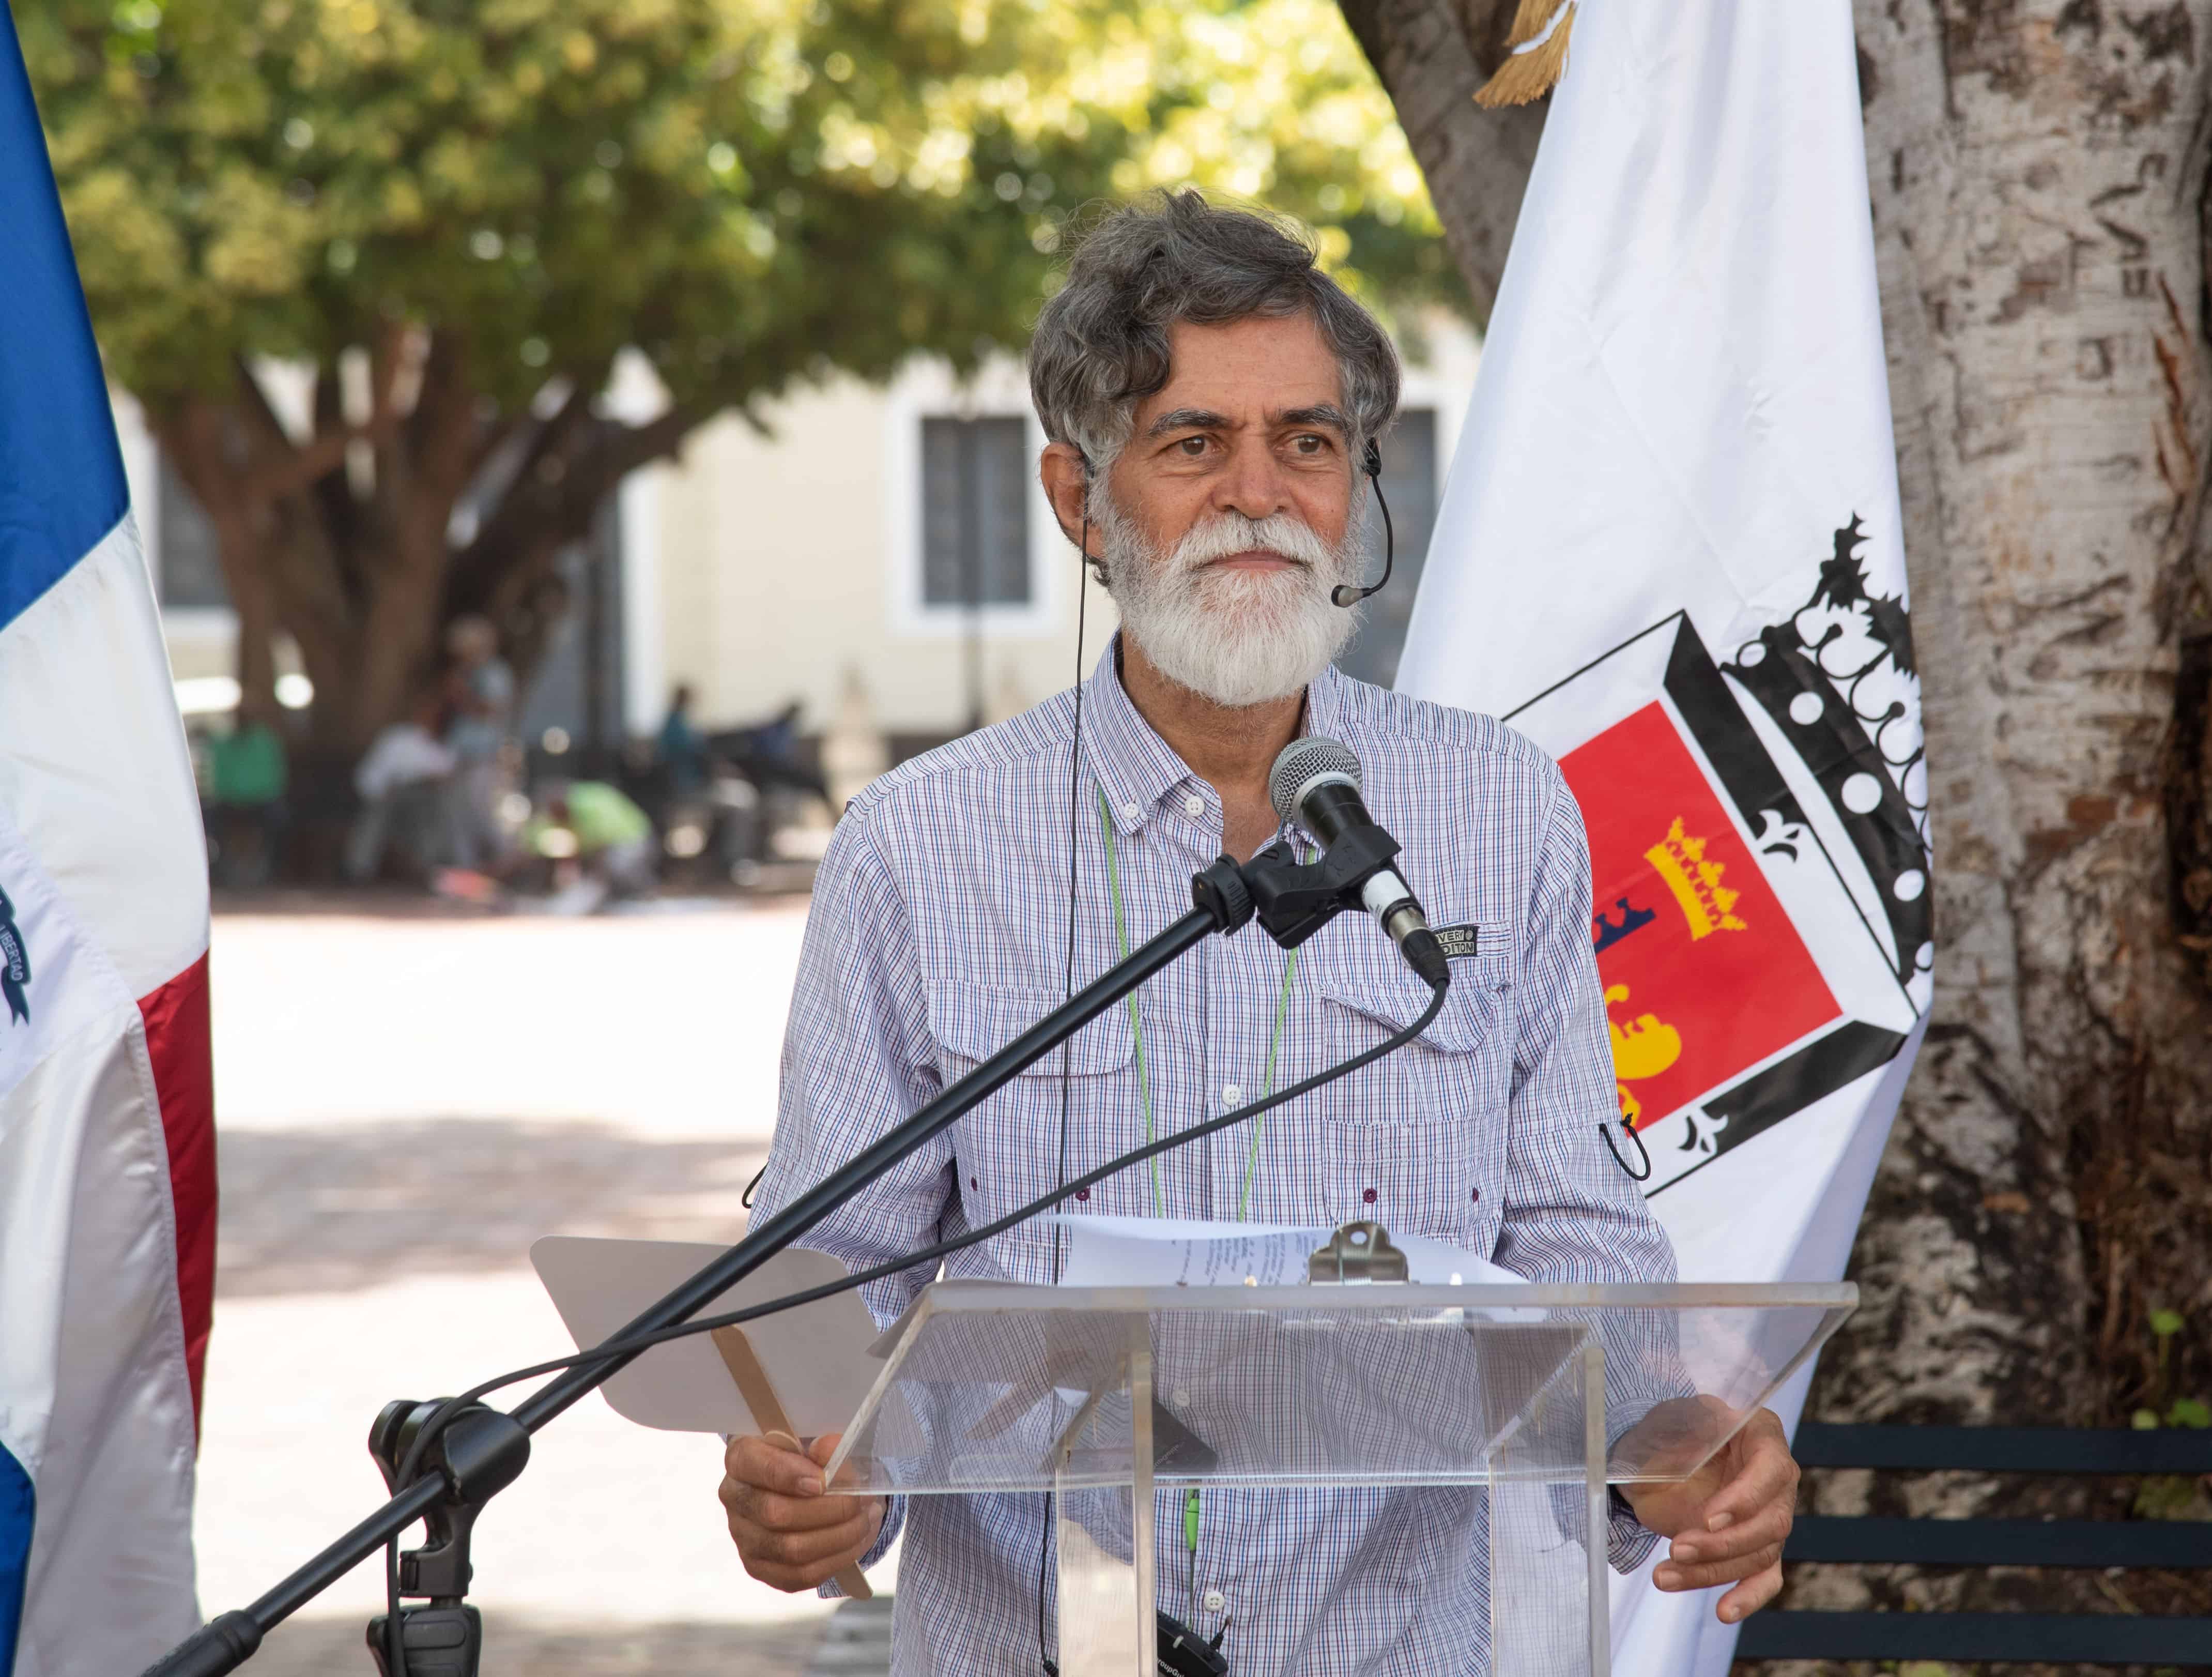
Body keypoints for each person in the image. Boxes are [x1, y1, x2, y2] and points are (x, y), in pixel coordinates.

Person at [719, 192, 1799, 1672]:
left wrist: (1671, 1439)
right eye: (1189, 443)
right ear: (1076, 497)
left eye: (1307, 441)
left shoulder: (1501, 807)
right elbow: (838, 1273)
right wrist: (815, 1481)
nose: (1258, 492)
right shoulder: (918, 842)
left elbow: (1569, 1242)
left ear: (1357, 482)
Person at [344, 712, 456, 884]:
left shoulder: (447, 746)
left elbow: (446, 779)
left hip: (424, 805)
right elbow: (370, 777)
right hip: (386, 796)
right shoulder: (398, 737)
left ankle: (428, 871)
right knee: (376, 815)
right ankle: (357, 871)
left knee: (439, 808)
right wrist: (383, 792)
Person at [441, 616, 515, 870]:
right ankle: (466, 870)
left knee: (484, 812)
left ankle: (510, 864)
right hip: (460, 753)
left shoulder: (493, 673)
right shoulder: (467, 672)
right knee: (457, 814)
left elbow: (493, 710)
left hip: (483, 753)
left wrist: (463, 695)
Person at [524, 779, 657, 907]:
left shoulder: (589, 805)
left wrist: (594, 880)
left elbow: (603, 845)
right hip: (611, 846)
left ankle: (646, 896)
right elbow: (535, 845)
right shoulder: (556, 814)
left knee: (617, 866)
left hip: (634, 838)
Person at [204, 711, 288, 887]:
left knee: (279, 819)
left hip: (261, 802)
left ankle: (273, 868)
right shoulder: (223, 744)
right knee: (204, 820)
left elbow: (275, 780)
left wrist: (252, 797)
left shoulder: (265, 742)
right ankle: (217, 867)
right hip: (231, 803)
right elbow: (219, 781)